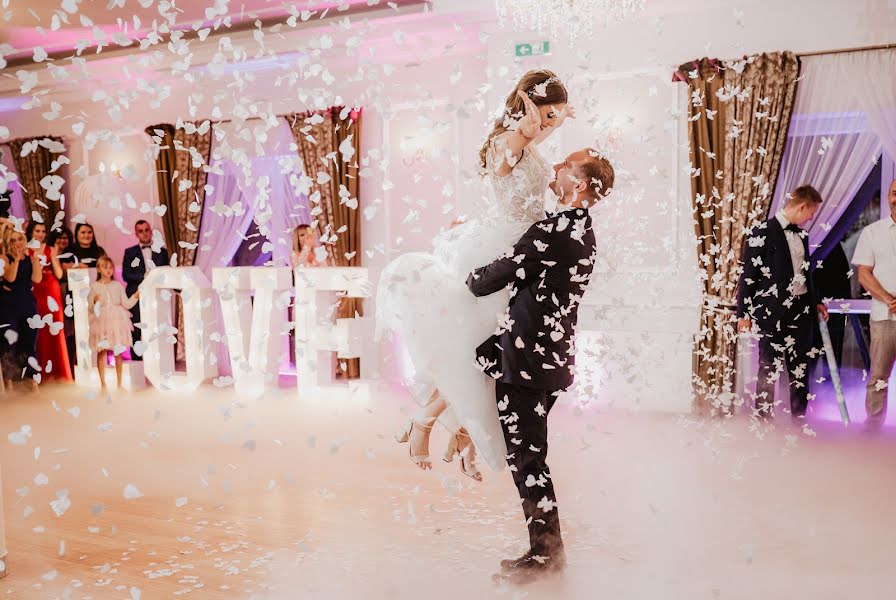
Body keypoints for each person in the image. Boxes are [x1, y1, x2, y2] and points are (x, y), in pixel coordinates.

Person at [378, 69, 574, 479]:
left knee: (492, 357)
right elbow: (507, 162)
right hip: (506, 251)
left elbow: (530, 147)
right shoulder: (509, 141)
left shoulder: (527, 141)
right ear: (528, 108)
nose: (551, 123)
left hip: (524, 251)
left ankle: (462, 438)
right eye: (547, 113)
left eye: (556, 115)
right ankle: (428, 423)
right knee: (481, 354)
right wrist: (528, 124)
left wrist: (548, 121)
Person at [470, 148, 613, 584]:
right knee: (529, 456)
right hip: (546, 357)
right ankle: (544, 549)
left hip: (527, 361)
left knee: (528, 460)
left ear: (582, 183)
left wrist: (465, 271)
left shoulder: (553, 231)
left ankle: (546, 556)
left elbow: (490, 280)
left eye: (564, 166)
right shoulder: (581, 231)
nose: (554, 169)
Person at [737, 185, 829, 419]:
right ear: (802, 206)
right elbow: (749, 276)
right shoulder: (761, 233)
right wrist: (744, 314)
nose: (811, 217)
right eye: (812, 212)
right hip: (771, 314)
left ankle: (799, 422)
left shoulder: (803, 235)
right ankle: (763, 426)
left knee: (800, 371)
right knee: (768, 369)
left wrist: (815, 301)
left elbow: (805, 274)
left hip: (801, 313)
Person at [851, 178, 896, 428]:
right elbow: (864, 274)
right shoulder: (872, 232)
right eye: (893, 193)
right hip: (884, 318)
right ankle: (873, 431)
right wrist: (889, 299)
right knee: (879, 376)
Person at [26, 221, 73, 382]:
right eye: (37, 230)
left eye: (43, 231)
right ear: (31, 232)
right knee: (41, 332)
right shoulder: (26, 249)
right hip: (36, 289)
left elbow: (59, 275)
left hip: (52, 289)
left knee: (56, 331)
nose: (40, 234)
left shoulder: (50, 248)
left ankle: (60, 372)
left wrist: (53, 257)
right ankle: (44, 374)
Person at [1, 226, 42, 391]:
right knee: (10, 342)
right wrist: (16, 260)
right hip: (9, 304)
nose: (17, 243)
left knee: (30, 341)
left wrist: (37, 262)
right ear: (8, 242)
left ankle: (31, 379)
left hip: (28, 303)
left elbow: (37, 279)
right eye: (13, 240)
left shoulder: (30, 258)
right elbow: (9, 278)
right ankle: (9, 380)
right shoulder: (4, 258)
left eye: (19, 239)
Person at [89, 255, 139, 390]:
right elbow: (90, 308)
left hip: (116, 321)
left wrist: (135, 296)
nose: (109, 270)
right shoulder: (95, 287)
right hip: (102, 322)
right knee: (102, 352)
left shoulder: (117, 285)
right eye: (105, 267)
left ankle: (119, 382)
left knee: (118, 352)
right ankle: (103, 383)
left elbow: (127, 304)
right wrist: (95, 302)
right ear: (99, 269)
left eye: (111, 267)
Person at [121, 220, 168, 360]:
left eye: (147, 230)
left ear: (151, 231)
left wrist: (155, 277)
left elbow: (165, 272)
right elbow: (126, 274)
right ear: (136, 234)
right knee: (136, 328)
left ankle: (159, 360)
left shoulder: (162, 251)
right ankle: (137, 361)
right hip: (136, 295)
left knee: (157, 327)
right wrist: (144, 276)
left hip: (157, 295)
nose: (145, 233)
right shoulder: (129, 252)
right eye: (141, 231)